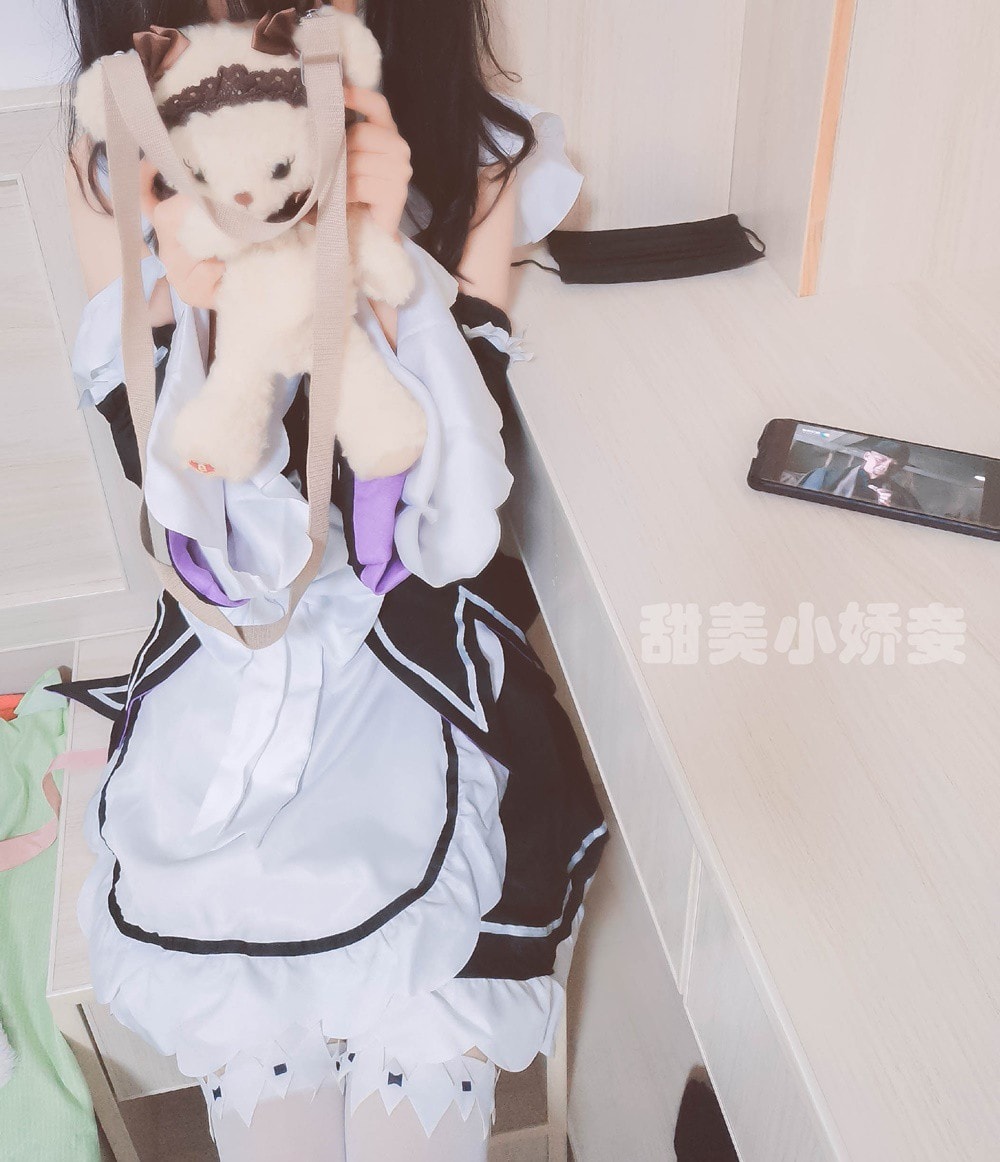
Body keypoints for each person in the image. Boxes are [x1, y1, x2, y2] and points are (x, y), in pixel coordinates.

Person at [59, 2, 608, 1159]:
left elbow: (455, 507)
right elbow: (179, 499)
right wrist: (200, 288)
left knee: (422, 1062)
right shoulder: (124, 169)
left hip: (419, 679)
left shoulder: (466, 165)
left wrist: (381, 258)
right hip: (234, 687)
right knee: (269, 1079)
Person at [800, 440, 921, 511]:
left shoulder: (904, 498)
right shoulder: (824, 476)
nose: (885, 467)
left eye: (894, 465)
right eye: (880, 460)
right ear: (867, 456)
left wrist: (891, 509)